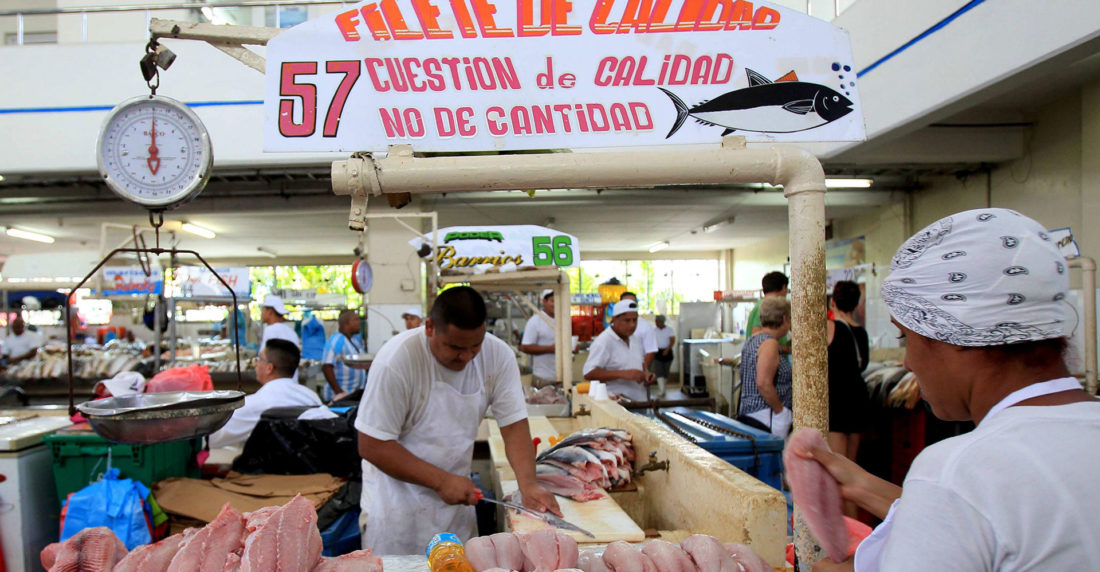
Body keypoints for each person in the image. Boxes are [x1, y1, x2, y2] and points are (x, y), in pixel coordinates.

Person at [802, 208, 1100, 571]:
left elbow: (962, 505)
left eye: (905, 336)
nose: (908, 362)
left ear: (952, 333)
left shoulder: (957, 470)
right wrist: (862, 485)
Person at [355, 286, 560, 555]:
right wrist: (441, 481)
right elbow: (372, 445)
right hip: (397, 512)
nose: (466, 357)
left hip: (454, 509)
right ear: (430, 328)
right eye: (455, 347)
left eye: (475, 346)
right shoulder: (397, 360)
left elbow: (513, 426)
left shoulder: (498, 355)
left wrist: (529, 484)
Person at [208, 339, 323, 449]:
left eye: (259, 359)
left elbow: (213, 435)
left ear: (269, 368)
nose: (256, 363)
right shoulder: (311, 396)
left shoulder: (257, 403)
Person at [826, 280, 871, 464]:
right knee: (852, 464)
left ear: (833, 302)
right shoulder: (862, 333)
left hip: (836, 399)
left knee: (837, 463)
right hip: (857, 399)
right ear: (857, 304)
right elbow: (864, 365)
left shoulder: (828, 328)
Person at [737, 296, 793, 438]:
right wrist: (780, 411)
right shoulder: (769, 343)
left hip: (752, 413)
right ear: (785, 319)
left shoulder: (753, 339)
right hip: (767, 416)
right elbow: (763, 383)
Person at [583, 298, 655, 401]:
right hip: (615, 404)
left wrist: (647, 374)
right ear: (615, 319)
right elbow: (589, 373)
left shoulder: (634, 339)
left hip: (639, 402)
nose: (632, 325)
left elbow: (640, 363)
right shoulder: (604, 341)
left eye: (635, 320)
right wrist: (624, 374)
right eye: (627, 320)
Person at [321, 309, 368, 402]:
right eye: (356, 319)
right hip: (339, 398)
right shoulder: (336, 341)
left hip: (353, 395)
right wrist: (339, 393)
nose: (359, 322)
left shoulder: (354, 340)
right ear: (347, 323)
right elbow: (327, 366)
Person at [519, 289, 558, 387]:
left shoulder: (564, 320)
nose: (556, 304)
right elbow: (525, 347)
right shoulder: (535, 321)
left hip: (562, 377)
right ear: (544, 301)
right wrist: (550, 349)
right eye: (552, 301)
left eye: (558, 301)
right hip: (542, 378)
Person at [745, 272, 790, 356]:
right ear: (784, 287)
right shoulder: (767, 307)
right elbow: (760, 341)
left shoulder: (763, 305)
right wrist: (787, 349)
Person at [619, 292, 658, 370]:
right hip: (618, 372)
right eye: (625, 303)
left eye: (632, 304)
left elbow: (650, 351)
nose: (629, 306)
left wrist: (643, 372)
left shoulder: (645, 326)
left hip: (636, 370)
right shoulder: (615, 325)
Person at [650, 315, 676, 396]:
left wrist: (667, 349)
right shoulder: (654, 330)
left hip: (667, 352)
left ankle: (663, 388)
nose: (656, 323)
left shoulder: (669, 330)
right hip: (657, 352)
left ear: (662, 322)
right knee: (659, 371)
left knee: (666, 372)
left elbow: (672, 341)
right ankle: (661, 390)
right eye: (656, 322)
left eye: (658, 322)